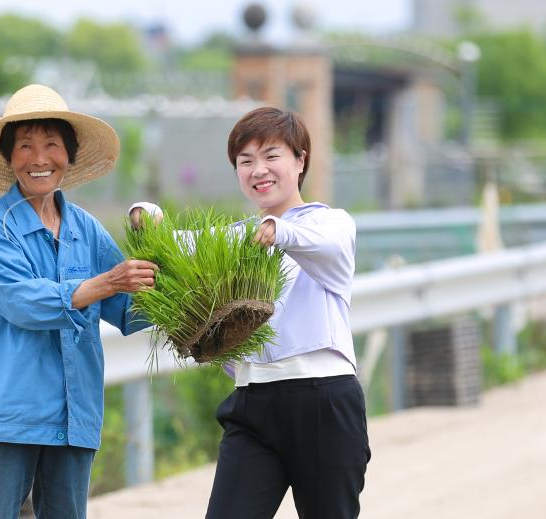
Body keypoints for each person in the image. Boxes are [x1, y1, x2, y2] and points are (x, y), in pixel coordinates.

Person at [130, 106, 370, 518]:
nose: (258, 169)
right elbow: (178, 242)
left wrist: (280, 230)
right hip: (252, 403)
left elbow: (322, 242)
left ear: (300, 160)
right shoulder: (239, 237)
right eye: (245, 161)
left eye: (271, 156)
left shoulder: (331, 224)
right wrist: (143, 216)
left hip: (323, 402)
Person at [0, 84, 158, 519]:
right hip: (6, 416)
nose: (39, 158)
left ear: (70, 155)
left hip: (73, 416)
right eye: (25, 146)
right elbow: (24, 303)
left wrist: (174, 274)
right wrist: (106, 283)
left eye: (51, 145)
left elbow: (132, 310)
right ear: (10, 158)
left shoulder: (86, 229)